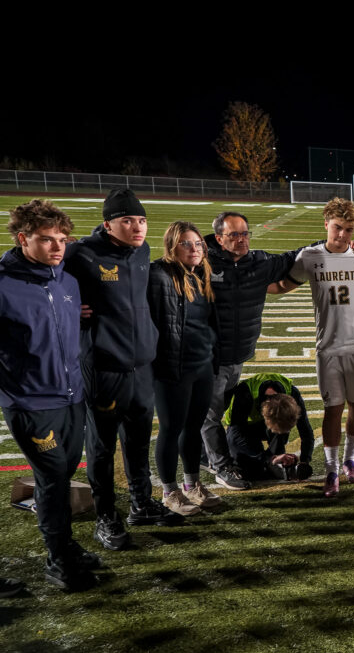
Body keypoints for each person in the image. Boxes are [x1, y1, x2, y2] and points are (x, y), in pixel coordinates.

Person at [65, 188, 177, 550]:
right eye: (127, 220)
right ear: (108, 224)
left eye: (141, 220)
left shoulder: (142, 251)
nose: (137, 227)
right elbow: (43, 276)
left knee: (138, 441)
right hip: (104, 368)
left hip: (142, 365)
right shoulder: (82, 253)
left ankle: (141, 503)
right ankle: (105, 516)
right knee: (100, 447)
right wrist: (69, 311)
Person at [1, 200, 102, 590]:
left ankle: (67, 547)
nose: (58, 247)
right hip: (31, 403)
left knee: (63, 475)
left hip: (72, 398)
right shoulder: (3, 283)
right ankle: (58, 560)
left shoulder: (67, 281)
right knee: (52, 478)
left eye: (62, 239)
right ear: (23, 238)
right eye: (47, 240)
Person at [201, 211, 306, 491]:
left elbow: (295, 257)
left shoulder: (258, 262)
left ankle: (205, 454)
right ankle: (221, 467)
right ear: (219, 238)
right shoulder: (203, 262)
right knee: (210, 414)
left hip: (238, 354)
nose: (241, 239)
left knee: (218, 408)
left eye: (245, 233)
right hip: (208, 355)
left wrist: (330, 242)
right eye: (233, 234)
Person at [281, 198, 354, 497]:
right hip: (328, 345)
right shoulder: (308, 257)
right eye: (337, 228)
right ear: (325, 224)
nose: (342, 236)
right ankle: (332, 467)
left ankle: (350, 459)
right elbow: (284, 284)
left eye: (348, 230)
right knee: (332, 409)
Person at [147, 222, 220, 516]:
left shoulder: (200, 275)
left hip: (201, 365)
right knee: (171, 428)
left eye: (198, 244)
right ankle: (170, 491)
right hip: (172, 368)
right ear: (172, 247)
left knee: (193, 428)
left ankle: (193, 485)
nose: (194, 249)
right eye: (186, 244)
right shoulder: (158, 275)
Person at [222, 373, 314, 481]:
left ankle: (275, 462)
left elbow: (305, 430)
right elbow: (237, 436)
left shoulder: (292, 393)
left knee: (267, 468)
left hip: (267, 424)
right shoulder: (245, 393)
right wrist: (268, 459)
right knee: (247, 470)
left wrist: (304, 461)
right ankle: (270, 461)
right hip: (243, 427)